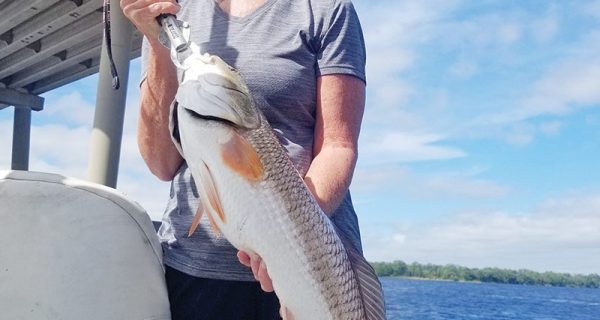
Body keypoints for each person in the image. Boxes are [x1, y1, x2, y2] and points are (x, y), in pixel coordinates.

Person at [121, 0, 367, 319]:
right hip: (197, 269)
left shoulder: (326, 9)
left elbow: (338, 145)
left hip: (315, 273)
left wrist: (287, 241)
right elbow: (161, 163)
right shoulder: (168, 11)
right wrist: (155, 38)